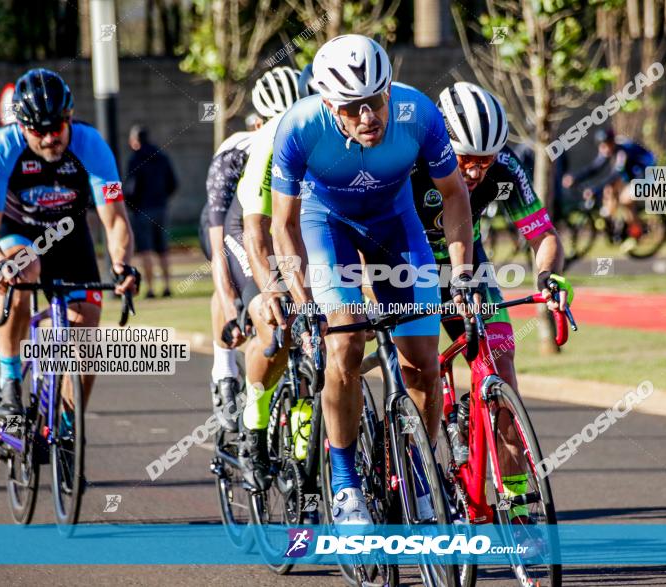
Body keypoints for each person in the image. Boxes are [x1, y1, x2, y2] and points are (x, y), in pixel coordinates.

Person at [269, 35, 475, 525]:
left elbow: (455, 195)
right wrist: (302, 301)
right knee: (345, 348)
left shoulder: (418, 113)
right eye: (353, 107)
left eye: (376, 100)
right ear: (328, 104)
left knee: (423, 364)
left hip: (395, 225)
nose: (369, 117)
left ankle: (419, 476)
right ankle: (344, 485)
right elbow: (284, 224)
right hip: (327, 227)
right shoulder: (299, 127)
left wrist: (463, 274)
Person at [411, 82, 571, 523]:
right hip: (408, 269)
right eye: (466, 159)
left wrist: (549, 275)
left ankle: (517, 500)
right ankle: (414, 471)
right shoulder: (410, 163)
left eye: (487, 159)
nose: (477, 171)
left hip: (470, 271)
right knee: (418, 369)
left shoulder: (506, 168)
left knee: (501, 373)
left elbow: (543, 234)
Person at [0, 68, 138, 418]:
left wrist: (122, 264)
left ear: (69, 117)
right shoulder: (2, 148)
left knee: (88, 335)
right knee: (24, 267)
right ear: (22, 127)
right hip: (19, 233)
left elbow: (116, 219)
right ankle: (10, 377)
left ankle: (66, 432)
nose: (49, 139)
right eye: (38, 131)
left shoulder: (92, 146)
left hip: (70, 237)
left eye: (56, 127)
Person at [197, 66, 300, 487]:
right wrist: (234, 305)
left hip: (286, 229)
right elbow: (221, 240)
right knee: (263, 316)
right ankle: (226, 375)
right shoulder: (235, 151)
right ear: (257, 123)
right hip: (235, 227)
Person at [562, 128, 655, 249]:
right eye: (602, 146)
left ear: (612, 142)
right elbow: (595, 168)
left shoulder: (623, 151)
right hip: (632, 173)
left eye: (606, 145)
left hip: (647, 174)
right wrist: (575, 178)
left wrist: (594, 189)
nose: (604, 149)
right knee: (609, 190)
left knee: (625, 199)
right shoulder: (608, 148)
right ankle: (613, 218)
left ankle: (636, 233)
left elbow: (616, 174)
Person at [124, 125, 178, 297]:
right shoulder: (162, 157)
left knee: (146, 250)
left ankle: (151, 289)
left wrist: (131, 205)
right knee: (163, 250)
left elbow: (131, 189)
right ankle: (168, 287)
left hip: (143, 211)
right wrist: (162, 199)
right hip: (161, 208)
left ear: (134, 141)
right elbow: (173, 183)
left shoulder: (135, 159)